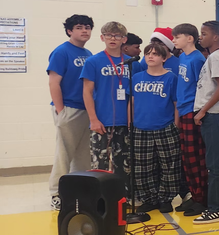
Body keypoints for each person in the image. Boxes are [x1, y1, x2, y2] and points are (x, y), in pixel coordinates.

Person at [47, 14, 94, 210]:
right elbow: (53, 83)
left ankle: (78, 190)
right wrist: (61, 111)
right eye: (80, 27)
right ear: (70, 31)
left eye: (88, 27)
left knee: (84, 155)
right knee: (64, 152)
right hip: (69, 108)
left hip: (86, 110)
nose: (85, 31)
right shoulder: (61, 52)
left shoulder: (89, 53)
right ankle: (56, 192)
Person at [131, 41, 181, 214]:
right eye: (148, 53)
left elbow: (176, 104)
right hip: (141, 128)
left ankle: (166, 198)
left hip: (165, 127)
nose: (150, 56)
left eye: (155, 54)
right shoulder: (136, 78)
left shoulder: (171, 78)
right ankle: (149, 199)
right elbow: (132, 102)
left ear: (164, 58)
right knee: (143, 167)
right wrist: (131, 122)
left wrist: (176, 125)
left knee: (169, 165)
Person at [192, 21, 219, 224]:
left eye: (204, 33)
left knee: (215, 164)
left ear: (216, 37)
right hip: (217, 114)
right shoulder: (216, 57)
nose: (201, 37)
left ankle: (218, 208)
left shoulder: (216, 57)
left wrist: (203, 111)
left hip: (215, 115)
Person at [80, 21, 131, 177]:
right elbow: (87, 92)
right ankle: (100, 200)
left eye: (117, 35)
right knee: (99, 165)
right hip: (101, 121)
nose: (112, 39)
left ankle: (125, 198)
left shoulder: (132, 63)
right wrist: (93, 119)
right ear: (102, 38)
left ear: (124, 39)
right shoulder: (93, 62)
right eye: (108, 35)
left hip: (126, 122)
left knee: (125, 164)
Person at [172, 23, 208, 216]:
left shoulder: (196, 59)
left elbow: (201, 88)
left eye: (177, 37)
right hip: (183, 110)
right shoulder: (182, 58)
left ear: (189, 38)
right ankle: (194, 195)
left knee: (196, 157)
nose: (174, 40)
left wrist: (198, 113)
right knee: (186, 157)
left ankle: (202, 198)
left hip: (192, 112)